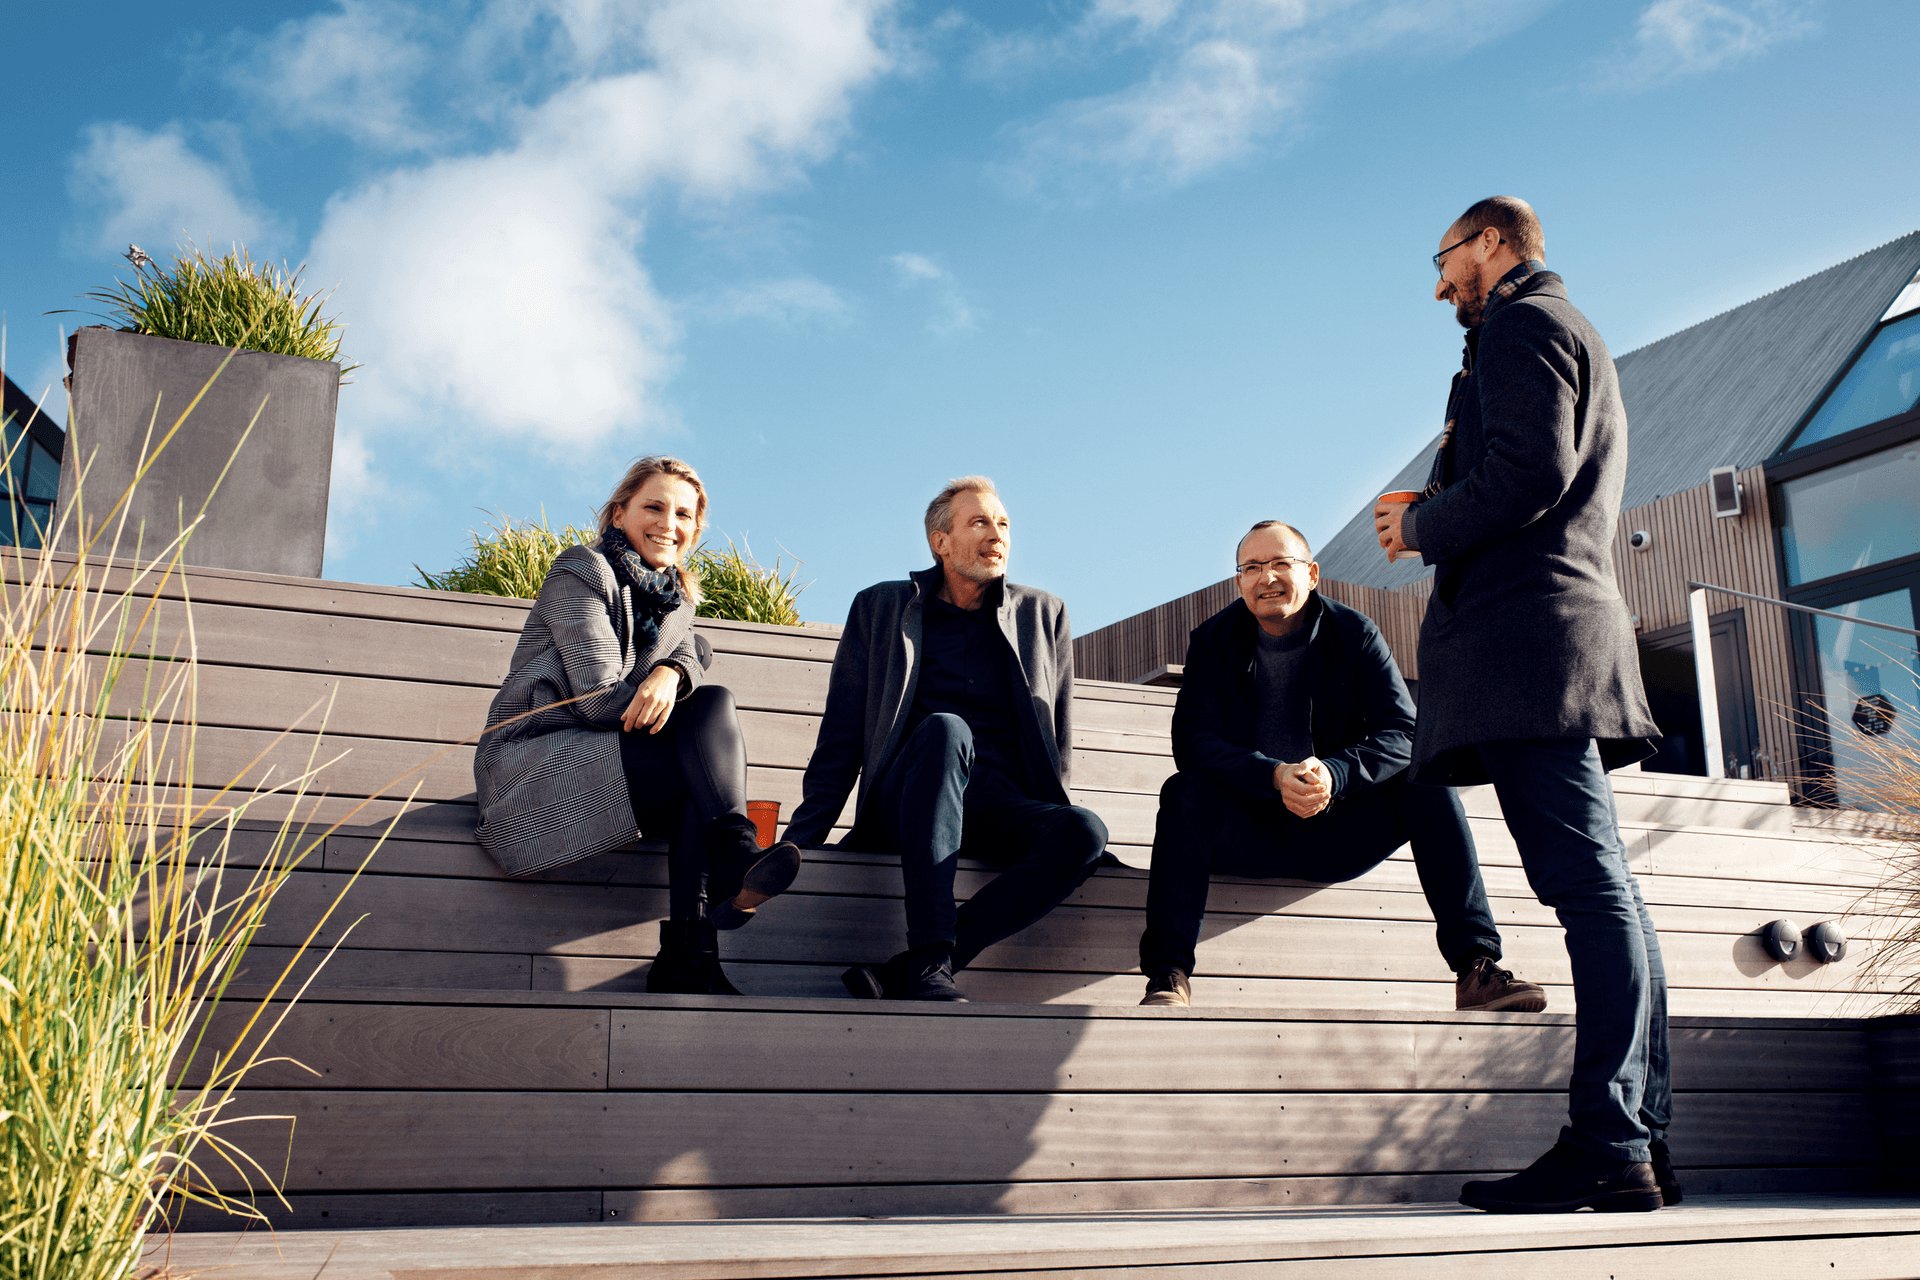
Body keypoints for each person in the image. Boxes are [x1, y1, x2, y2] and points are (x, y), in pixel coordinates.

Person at [1375, 197, 1672, 1214]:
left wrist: (1422, 520)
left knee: (1588, 891)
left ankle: (1609, 1137)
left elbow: (1529, 473)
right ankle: (1639, 1136)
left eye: (1446, 256)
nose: (1440, 282)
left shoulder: (1523, 324)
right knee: (1608, 894)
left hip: (1529, 647)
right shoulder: (1564, 329)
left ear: (1493, 244)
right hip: (1550, 642)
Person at [1136, 519, 1544, 1013]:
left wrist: (1335, 772)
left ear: (1311, 573)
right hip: (1248, 832)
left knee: (1428, 783)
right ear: (1239, 581)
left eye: (1281, 563)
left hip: (1336, 829)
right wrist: (1272, 775)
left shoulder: (1353, 632)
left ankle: (1476, 968)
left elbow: (1404, 731)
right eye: (1252, 567)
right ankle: (1168, 974)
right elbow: (1194, 744)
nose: (1267, 578)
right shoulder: (1212, 642)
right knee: (1185, 790)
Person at [474, 455, 803, 996]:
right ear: (620, 512)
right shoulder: (582, 571)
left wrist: (675, 669)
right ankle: (726, 869)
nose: (667, 524)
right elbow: (601, 700)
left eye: (682, 514)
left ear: (695, 530)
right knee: (707, 721)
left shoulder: (674, 604)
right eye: (653, 507)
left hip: (610, 768)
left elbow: (695, 646)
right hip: (532, 771)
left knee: (701, 765)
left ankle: (692, 953)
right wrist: (679, 672)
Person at [782, 475, 1108, 1002]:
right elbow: (840, 735)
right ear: (940, 541)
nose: (996, 535)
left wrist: (1056, 819)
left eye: (1003, 525)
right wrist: (802, 841)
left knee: (1085, 830)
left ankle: (918, 965)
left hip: (997, 806)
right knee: (945, 728)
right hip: (907, 801)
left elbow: (1058, 739)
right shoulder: (882, 608)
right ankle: (931, 953)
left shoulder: (1044, 613)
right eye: (979, 522)